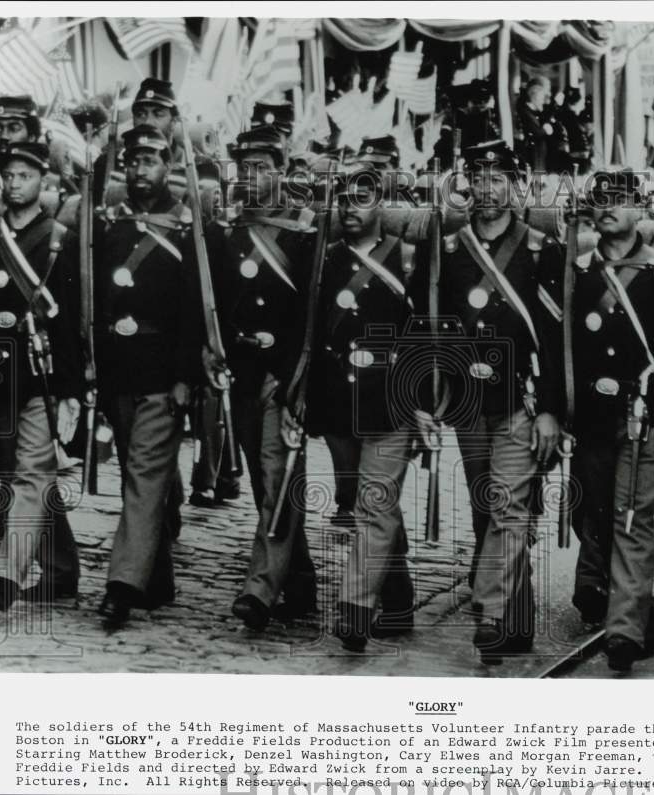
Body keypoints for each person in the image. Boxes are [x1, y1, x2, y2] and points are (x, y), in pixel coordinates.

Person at [414, 140, 563, 664]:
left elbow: (556, 337)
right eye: (478, 178)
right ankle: (516, 618)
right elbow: (425, 328)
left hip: (521, 398)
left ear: (516, 186)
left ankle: (492, 615)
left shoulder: (542, 250)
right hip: (468, 401)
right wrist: (426, 399)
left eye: (498, 178)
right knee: (489, 510)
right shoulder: (449, 250)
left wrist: (550, 409)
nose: (487, 188)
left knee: (509, 507)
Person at [568, 169, 654, 672]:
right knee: (597, 515)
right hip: (594, 419)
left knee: (633, 521)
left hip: (645, 415)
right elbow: (565, 351)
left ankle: (622, 632)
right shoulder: (577, 271)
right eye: (600, 200)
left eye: (620, 200)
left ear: (641, 210)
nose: (608, 208)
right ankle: (641, 621)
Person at [303, 163, 421, 651]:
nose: (351, 206)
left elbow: (427, 334)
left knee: (374, 502)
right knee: (367, 499)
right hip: (336, 399)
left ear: (382, 205)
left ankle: (355, 609)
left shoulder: (408, 260)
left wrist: (423, 401)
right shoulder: (324, 259)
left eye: (363, 197)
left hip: (389, 398)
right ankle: (397, 596)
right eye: (344, 196)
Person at [208, 123, 319, 630]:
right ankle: (299, 582)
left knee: (277, 477)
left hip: (281, 376)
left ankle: (260, 588)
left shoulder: (302, 230)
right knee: (263, 479)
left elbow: (309, 315)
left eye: (262, 168)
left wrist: (291, 376)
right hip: (243, 374)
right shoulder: (229, 230)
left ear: (282, 171)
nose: (251, 177)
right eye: (245, 168)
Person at [93, 125, 204, 627]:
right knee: (136, 479)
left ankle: (121, 587)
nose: (141, 171)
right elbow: (94, 303)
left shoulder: (186, 229)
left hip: (162, 373)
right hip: (118, 372)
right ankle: (156, 578)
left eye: (152, 161)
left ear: (170, 166)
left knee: (142, 477)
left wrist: (186, 376)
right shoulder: (110, 225)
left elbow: (194, 312)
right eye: (134, 161)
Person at [0, 141, 82, 609]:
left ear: (45, 182)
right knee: (22, 475)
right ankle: (61, 570)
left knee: (31, 474)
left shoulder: (60, 239)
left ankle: (6, 577)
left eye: (26, 175)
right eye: (9, 175)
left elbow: (75, 320)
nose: (16, 183)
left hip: (42, 373)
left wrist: (73, 388)